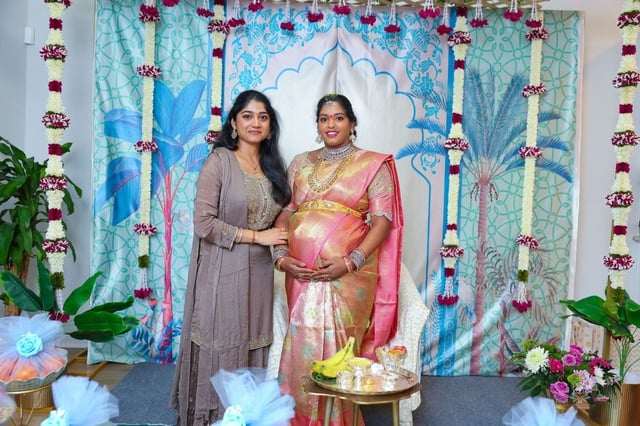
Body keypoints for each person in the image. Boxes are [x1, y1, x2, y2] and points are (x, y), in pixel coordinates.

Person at [274, 93, 404, 425]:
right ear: (317, 125)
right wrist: (281, 256)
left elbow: (382, 222)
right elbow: (286, 212)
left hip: (348, 278)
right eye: (324, 118)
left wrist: (350, 262)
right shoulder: (300, 163)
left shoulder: (374, 165)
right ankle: (297, 418)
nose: (331, 124)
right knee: (302, 344)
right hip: (301, 274)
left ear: (352, 123)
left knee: (337, 352)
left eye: (338, 117)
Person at [170, 90, 291, 426]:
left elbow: (284, 212)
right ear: (234, 123)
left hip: (259, 273)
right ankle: (214, 418)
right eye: (248, 116)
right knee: (224, 341)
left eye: (263, 117)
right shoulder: (219, 162)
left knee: (253, 343)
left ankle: (245, 416)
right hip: (223, 271)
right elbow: (204, 223)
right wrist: (257, 237)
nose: (256, 123)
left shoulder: (272, 167)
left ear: (270, 126)